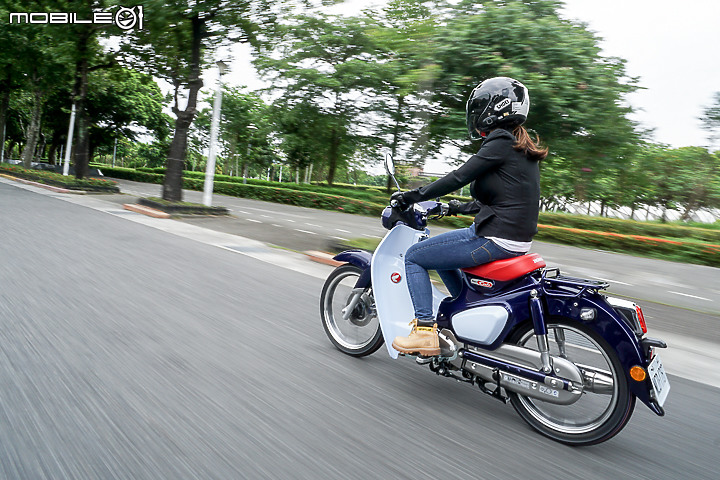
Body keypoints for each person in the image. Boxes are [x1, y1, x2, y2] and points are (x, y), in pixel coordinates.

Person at [391, 76, 548, 356]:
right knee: (440, 252)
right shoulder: (520, 148)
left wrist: (412, 196)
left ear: (493, 110)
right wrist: (453, 208)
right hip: (513, 239)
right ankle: (462, 310)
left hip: (495, 238)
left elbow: (459, 176)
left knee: (415, 255)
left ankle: (425, 332)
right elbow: (498, 199)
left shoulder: (500, 141)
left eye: (479, 108)